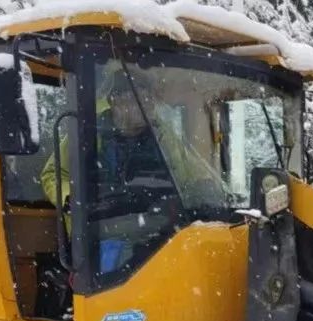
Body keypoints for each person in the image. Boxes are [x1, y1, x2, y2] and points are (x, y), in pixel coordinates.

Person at [40, 65, 224, 274]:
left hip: (160, 227)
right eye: (135, 99)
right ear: (114, 101)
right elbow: (52, 174)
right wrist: (71, 199)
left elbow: (194, 176)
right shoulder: (89, 133)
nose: (144, 106)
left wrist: (211, 193)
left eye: (147, 99)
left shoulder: (164, 136)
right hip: (103, 227)